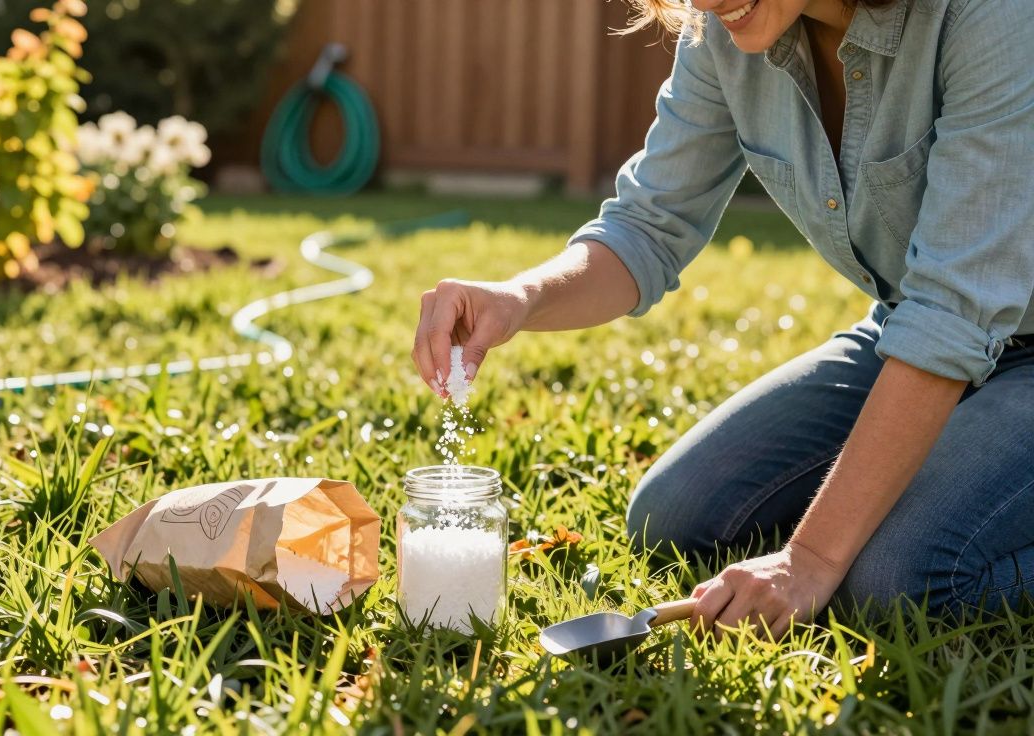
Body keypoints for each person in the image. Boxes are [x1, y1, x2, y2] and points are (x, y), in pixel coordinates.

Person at [412, 0, 1034, 638]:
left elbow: (955, 307)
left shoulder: (989, 17)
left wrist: (808, 561)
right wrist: (517, 298)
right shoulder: (723, 32)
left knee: (893, 585)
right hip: (908, 329)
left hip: (994, 334)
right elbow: (649, 227)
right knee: (674, 514)